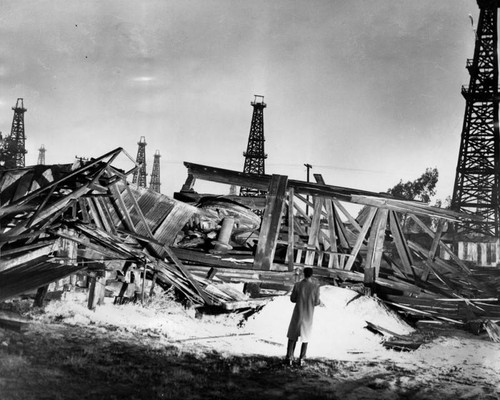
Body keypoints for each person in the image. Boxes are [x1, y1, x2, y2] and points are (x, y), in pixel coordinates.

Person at [285, 267, 321, 367]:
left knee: (292, 334)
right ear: (312, 275)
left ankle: (289, 357)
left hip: (298, 312)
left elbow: (292, 299)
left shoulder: (297, 285)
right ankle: (302, 358)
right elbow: (317, 302)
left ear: (303, 274)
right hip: (308, 314)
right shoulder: (315, 287)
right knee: (306, 336)